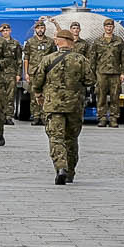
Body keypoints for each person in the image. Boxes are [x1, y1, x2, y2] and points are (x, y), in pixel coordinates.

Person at [35, 24, 90, 185]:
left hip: (53, 105)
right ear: (71, 42)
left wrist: (38, 94)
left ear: (58, 41)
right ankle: (70, 172)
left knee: (56, 137)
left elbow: (37, 81)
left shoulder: (48, 59)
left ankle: (61, 168)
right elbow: (90, 80)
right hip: (74, 105)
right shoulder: (81, 60)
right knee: (71, 139)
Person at [89, 20, 124, 128]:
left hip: (115, 73)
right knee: (101, 96)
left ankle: (113, 118)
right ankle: (102, 118)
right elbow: (93, 59)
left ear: (113, 27)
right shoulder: (97, 41)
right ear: (104, 27)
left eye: (110, 26)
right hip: (101, 73)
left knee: (115, 97)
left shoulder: (119, 41)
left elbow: (123, 58)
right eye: (107, 26)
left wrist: (123, 73)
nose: (109, 28)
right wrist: (92, 74)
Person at [22, 18, 55, 125]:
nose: (40, 30)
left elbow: (54, 57)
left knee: (46, 94)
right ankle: (36, 116)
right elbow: (26, 58)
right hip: (33, 72)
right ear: (35, 29)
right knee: (34, 95)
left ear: (45, 29)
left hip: (46, 72)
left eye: (42, 27)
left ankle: (44, 116)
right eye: (38, 28)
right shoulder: (30, 42)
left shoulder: (50, 42)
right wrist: (26, 73)